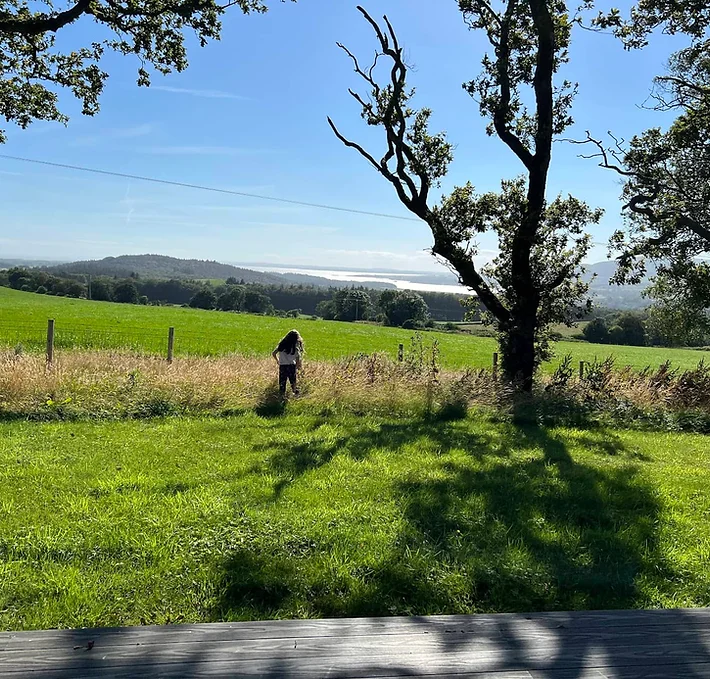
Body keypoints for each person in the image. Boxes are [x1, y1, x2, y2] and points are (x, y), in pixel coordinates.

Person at [272, 330, 303, 396]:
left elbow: (273, 353)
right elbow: (298, 358)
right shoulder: (295, 347)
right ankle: (295, 395)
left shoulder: (281, 345)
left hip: (282, 366)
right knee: (293, 383)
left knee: (282, 383)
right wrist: (298, 367)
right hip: (291, 366)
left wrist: (277, 361)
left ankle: (281, 397)